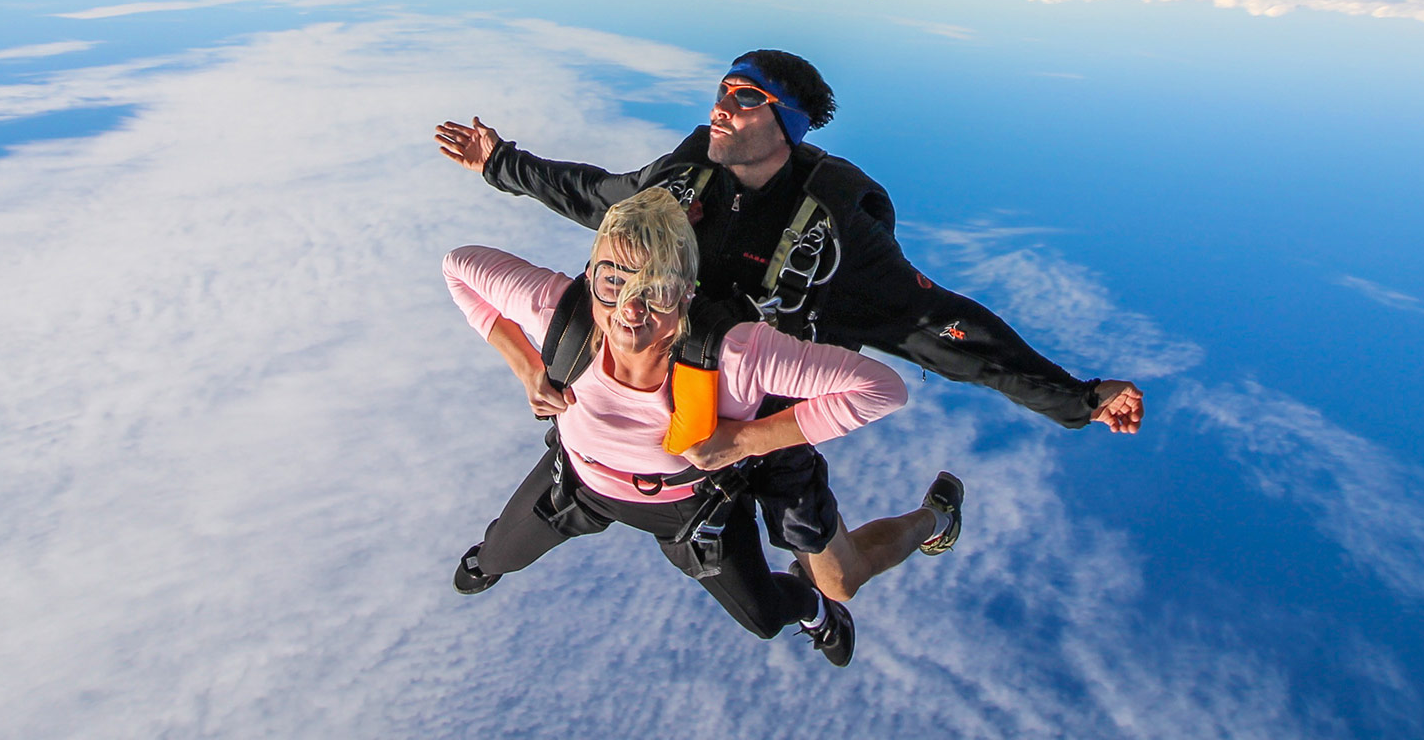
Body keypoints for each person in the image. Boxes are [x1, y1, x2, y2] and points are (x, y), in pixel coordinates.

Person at [435, 50, 1146, 603]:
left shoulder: (833, 233)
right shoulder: (685, 178)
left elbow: (943, 327)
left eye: (744, 100)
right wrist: (498, 162)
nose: (719, 110)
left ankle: (934, 518)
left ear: (789, 124)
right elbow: (595, 195)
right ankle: (502, 552)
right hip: (660, 380)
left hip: (769, 416)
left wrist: (1079, 398)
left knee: (837, 582)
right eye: (719, 93)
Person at [444, 187, 907, 666]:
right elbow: (458, 268)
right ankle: (490, 560)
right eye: (612, 281)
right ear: (590, 276)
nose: (630, 309)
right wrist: (527, 366)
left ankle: (814, 609)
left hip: (691, 513)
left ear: (688, 293)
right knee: (493, 558)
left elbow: (882, 390)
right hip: (577, 483)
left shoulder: (734, 353)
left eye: (657, 289)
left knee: (766, 619)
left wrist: (745, 441)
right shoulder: (559, 312)